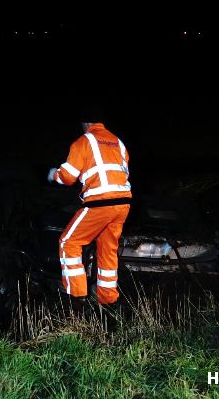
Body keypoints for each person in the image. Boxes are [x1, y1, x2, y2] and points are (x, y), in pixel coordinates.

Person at [47, 113, 131, 309]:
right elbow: (121, 172)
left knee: (68, 242)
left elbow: (68, 177)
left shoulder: (83, 142)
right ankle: (108, 301)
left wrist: (53, 175)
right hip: (123, 203)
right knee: (107, 250)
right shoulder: (118, 142)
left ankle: (76, 299)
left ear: (85, 122)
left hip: (100, 203)